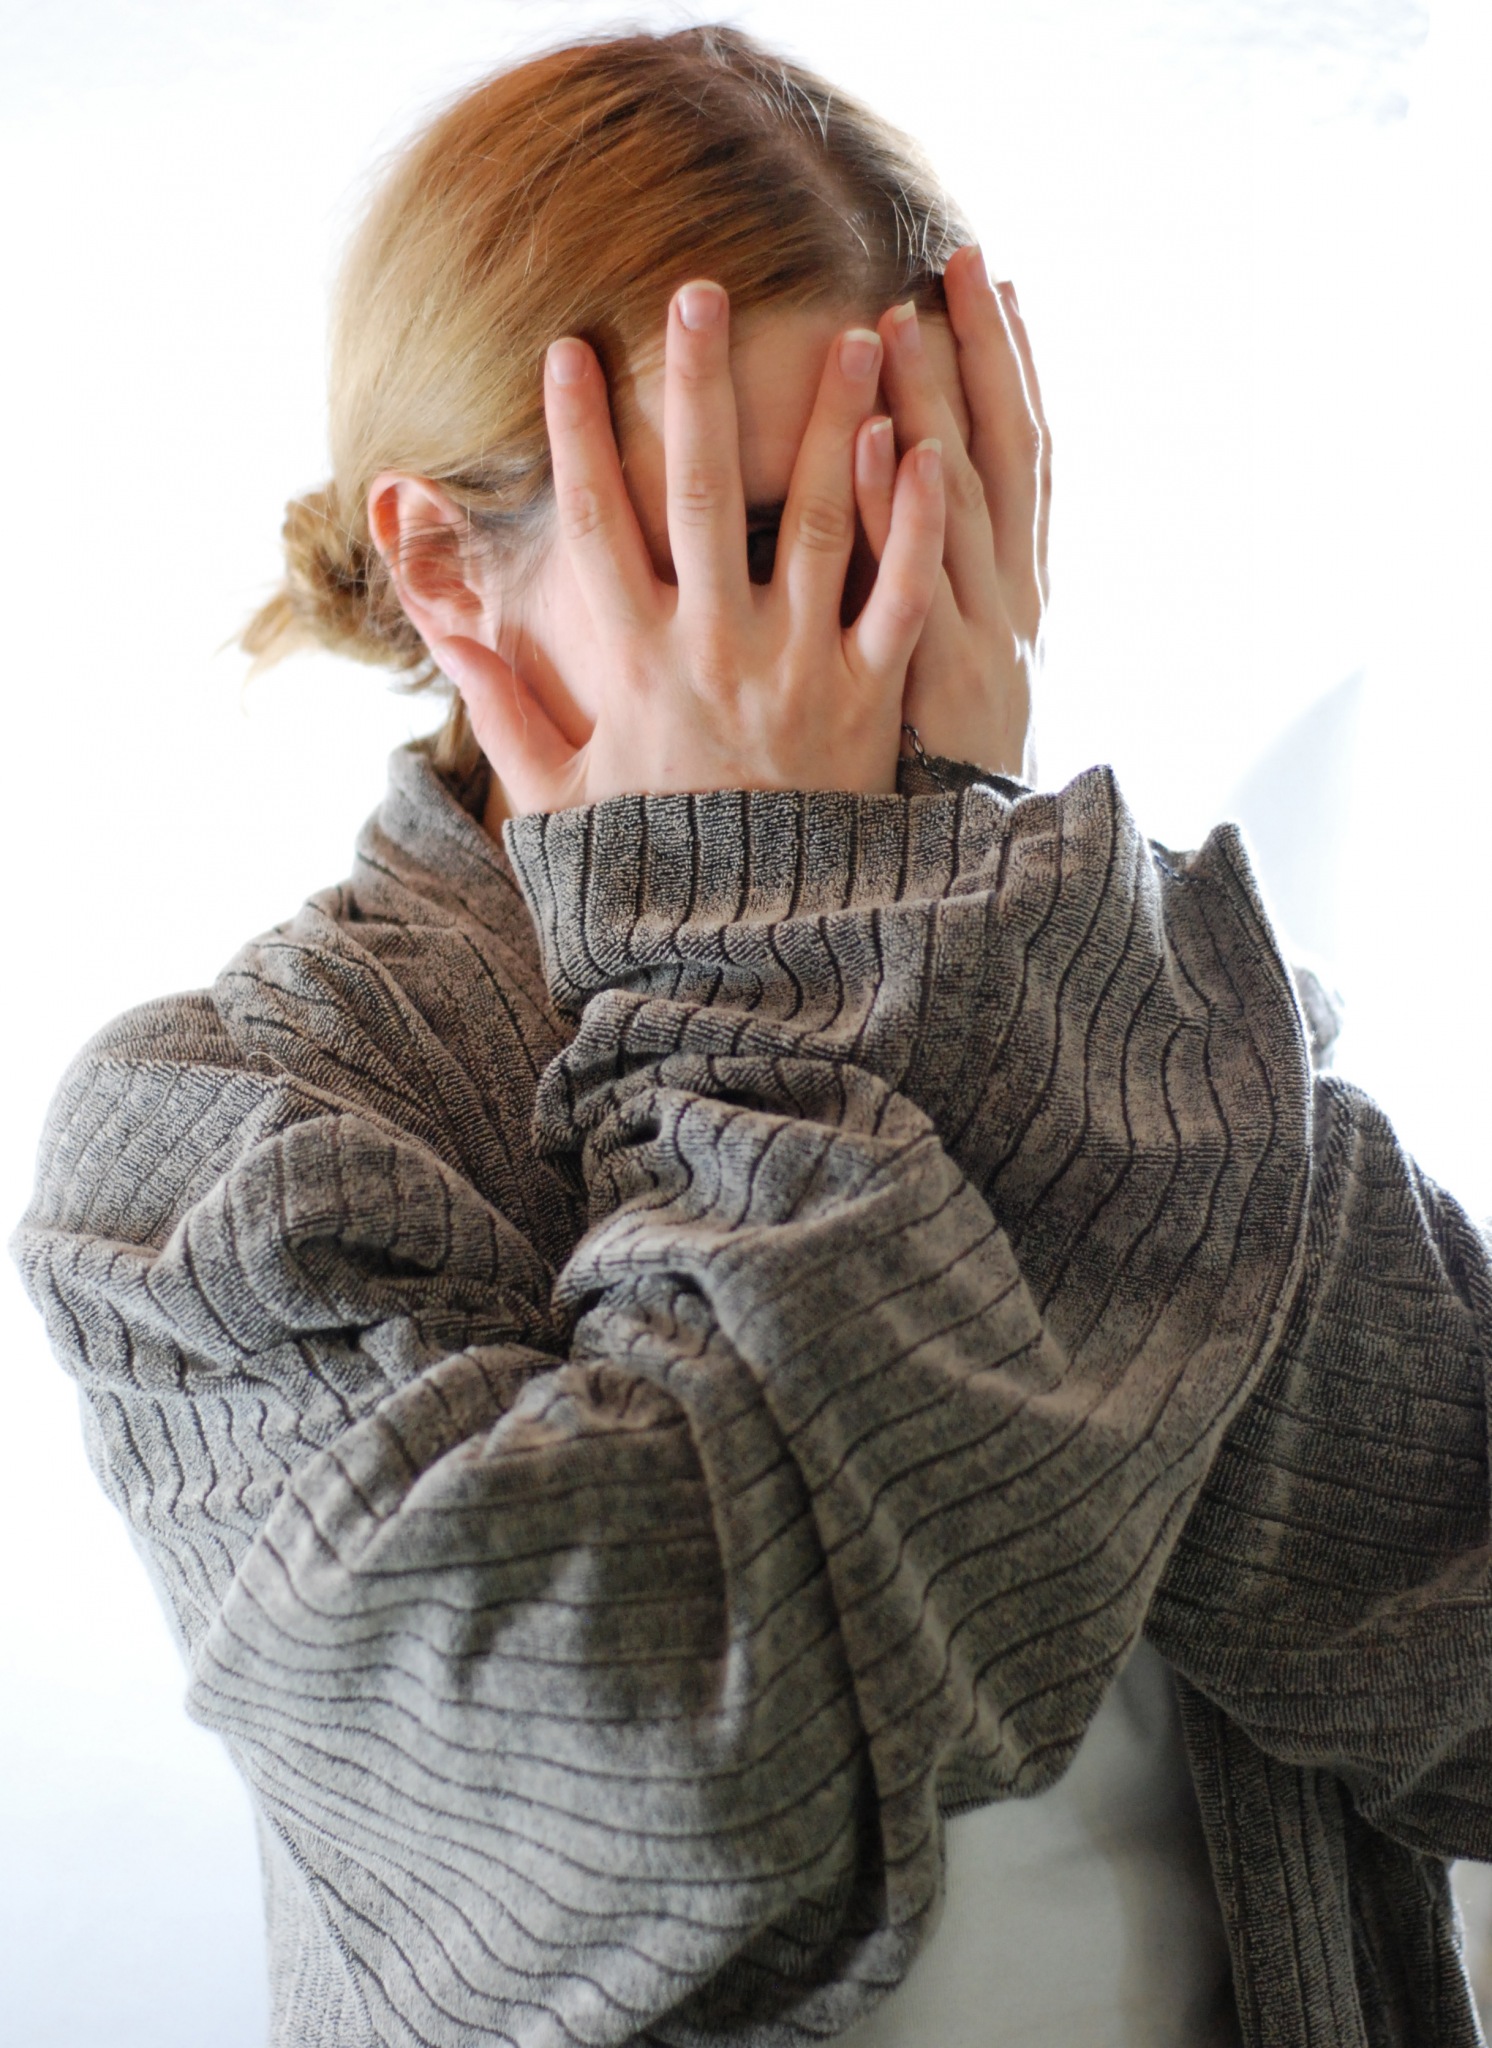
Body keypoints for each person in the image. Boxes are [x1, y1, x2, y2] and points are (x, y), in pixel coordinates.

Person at [12, 24, 1492, 2048]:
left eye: (932, 520)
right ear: (447, 571)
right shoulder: (219, 1136)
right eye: (767, 541)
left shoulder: (1121, 974)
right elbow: (682, 1809)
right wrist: (767, 934)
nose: (878, 636)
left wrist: (985, 938)